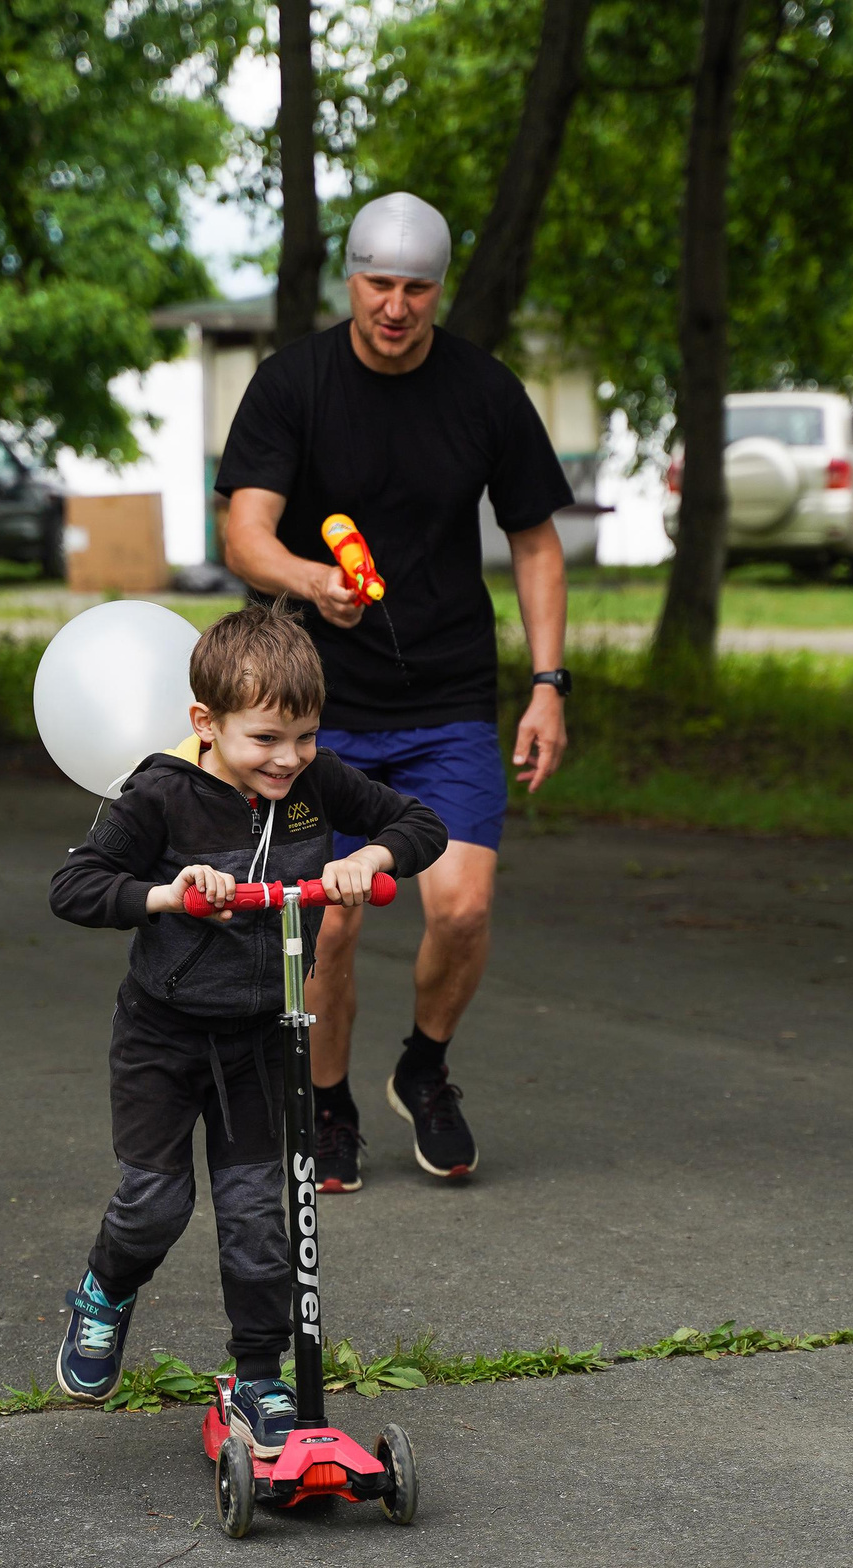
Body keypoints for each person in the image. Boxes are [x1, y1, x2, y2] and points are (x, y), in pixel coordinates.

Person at [216, 190, 574, 1192]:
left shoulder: (484, 393)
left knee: (459, 910)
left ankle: (424, 1067)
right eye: (379, 283)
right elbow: (244, 534)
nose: (396, 305)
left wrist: (548, 685)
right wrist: (308, 581)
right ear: (352, 280)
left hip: (449, 693)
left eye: (416, 287)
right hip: (319, 706)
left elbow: (536, 541)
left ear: (438, 290)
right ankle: (327, 1104)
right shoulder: (294, 385)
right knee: (331, 917)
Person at [45, 605, 447, 1445]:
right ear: (206, 722)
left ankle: (259, 1376)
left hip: (265, 1034)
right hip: (162, 1037)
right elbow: (75, 887)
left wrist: (366, 858)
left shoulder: (315, 784)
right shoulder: (158, 792)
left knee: (263, 1214)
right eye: (266, 738)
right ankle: (104, 1294)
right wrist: (167, 892)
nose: (288, 758)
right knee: (155, 1203)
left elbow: (419, 824)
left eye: (303, 736)